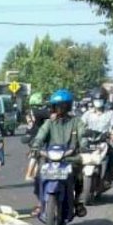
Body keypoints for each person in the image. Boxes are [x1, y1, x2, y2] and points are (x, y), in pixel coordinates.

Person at [31, 89, 88, 217]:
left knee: (78, 176)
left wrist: (84, 145)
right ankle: (40, 203)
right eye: (57, 106)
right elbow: (40, 136)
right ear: (53, 107)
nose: (60, 109)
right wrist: (35, 146)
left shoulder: (76, 121)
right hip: (51, 159)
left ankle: (77, 201)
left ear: (68, 106)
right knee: (39, 176)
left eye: (63, 105)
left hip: (71, 158)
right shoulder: (49, 122)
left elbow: (83, 135)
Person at [82, 87, 113, 182]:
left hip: (104, 141)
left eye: (100, 100)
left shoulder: (110, 113)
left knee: (112, 153)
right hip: (89, 141)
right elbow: (80, 125)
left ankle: (108, 176)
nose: (98, 102)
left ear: (105, 100)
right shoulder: (87, 114)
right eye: (96, 100)